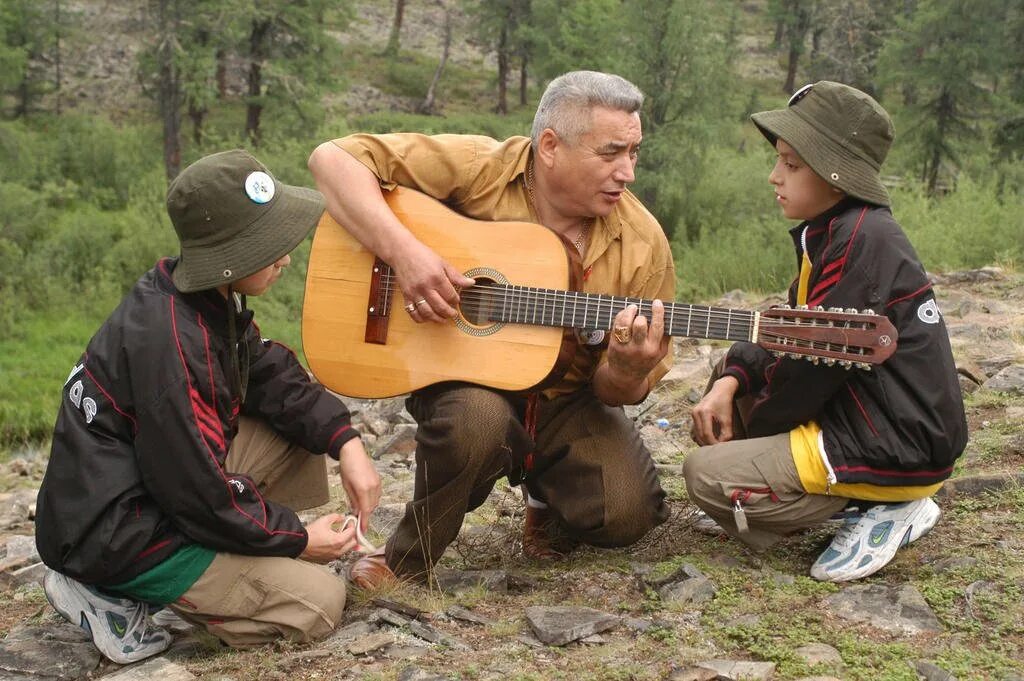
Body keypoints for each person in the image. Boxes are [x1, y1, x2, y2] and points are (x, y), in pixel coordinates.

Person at [307, 70, 675, 586]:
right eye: (611, 153)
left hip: (566, 402)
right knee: (475, 420)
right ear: (549, 146)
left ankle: (544, 494)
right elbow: (333, 160)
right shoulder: (481, 167)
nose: (628, 172)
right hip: (465, 381)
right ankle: (405, 562)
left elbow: (615, 390)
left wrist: (625, 369)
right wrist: (406, 254)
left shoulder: (642, 244)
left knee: (628, 516)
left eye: (634, 153)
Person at [35, 149, 381, 664]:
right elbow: (198, 495)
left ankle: (224, 562)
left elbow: (264, 369)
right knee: (320, 606)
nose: (285, 257)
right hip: (115, 535)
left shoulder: (200, 296)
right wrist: (295, 538)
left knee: (302, 432)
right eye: (269, 247)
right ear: (229, 254)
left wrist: (345, 441)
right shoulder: (170, 349)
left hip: (139, 494)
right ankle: (108, 593)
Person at [683, 81, 967, 582]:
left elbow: (809, 374)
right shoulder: (835, 231)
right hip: (868, 420)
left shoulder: (864, 240)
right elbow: (786, 330)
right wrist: (730, 381)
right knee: (732, 379)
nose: (775, 177)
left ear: (837, 177)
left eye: (792, 165)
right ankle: (832, 496)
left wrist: (742, 458)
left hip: (896, 444)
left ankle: (887, 507)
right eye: (778, 160)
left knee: (704, 477)